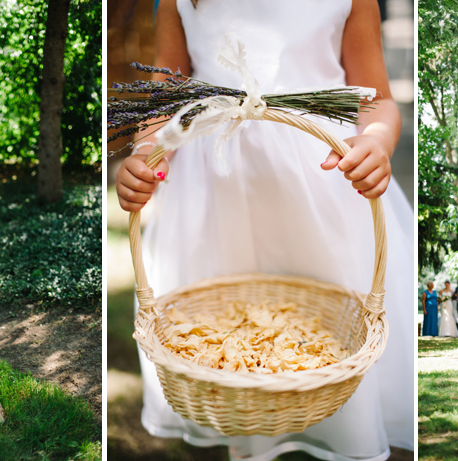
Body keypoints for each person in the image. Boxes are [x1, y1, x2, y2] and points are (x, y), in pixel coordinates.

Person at [116, 0, 416, 458]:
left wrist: (375, 142)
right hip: (216, 195)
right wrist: (145, 156)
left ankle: (345, 425)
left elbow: (377, 101)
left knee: (330, 327)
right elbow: (168, 96)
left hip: (321, 184)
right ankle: (250, 439)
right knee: (231, 334)